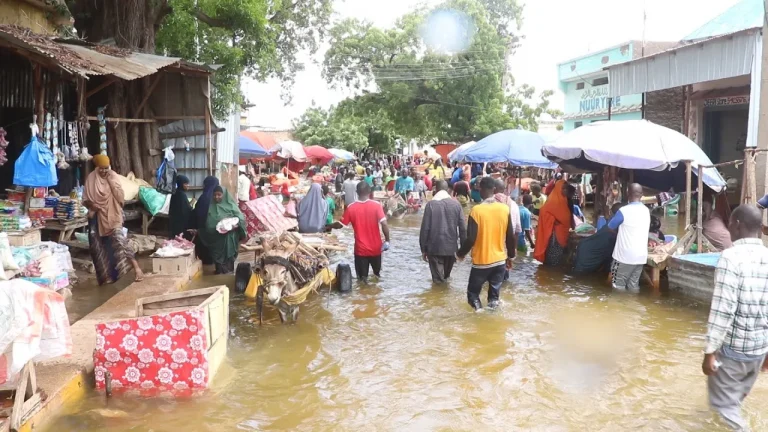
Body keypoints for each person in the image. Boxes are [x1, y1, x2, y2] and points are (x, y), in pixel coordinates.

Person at [702, 204, 768, 430]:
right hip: (759, 351)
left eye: (729, 222)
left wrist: (709, 352)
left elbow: (723, 308)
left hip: (734, 352)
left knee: (724, 407)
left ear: (737, 225)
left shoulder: (730, 257)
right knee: (734, 401)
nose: (727, 226)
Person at [457, 177, 517, 311]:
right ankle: (492, 317)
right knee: (494, 298)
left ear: (481, 190)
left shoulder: (476, 211)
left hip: (482, 262)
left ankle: (479, 315)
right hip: (500, 262)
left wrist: (460, 254)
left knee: (472, 295)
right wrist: (511, 257)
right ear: (494, 190)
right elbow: (510, 236)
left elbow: (471, 239)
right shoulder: (504, 209)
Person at [83, 154, 144, 285]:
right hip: (97, 217)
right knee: (98, 247)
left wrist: (111, 182)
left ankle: (137, 269)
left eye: (106, 168)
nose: (104, 171)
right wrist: (92, 205)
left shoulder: (113, 176)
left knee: (120, 241)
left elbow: (121, 197)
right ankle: (106, 278)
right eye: (101, 168)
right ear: (96, 167)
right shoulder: (91, 179)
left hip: (112, 215)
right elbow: (85, 200)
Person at [330, 181, 391, 283]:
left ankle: (362, 296)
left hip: (360, 250)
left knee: (362, 280)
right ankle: (376, 297)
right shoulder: (376, 205)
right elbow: (384, 224)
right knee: (377, 276)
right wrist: (387, 241)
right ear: (370, 191)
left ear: (357, 192)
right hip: (376, 249)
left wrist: (329, 226)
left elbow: (340, 225)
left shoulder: (351, 207)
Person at [419, 180, 466, 283]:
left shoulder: (430, 205)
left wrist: (423, 249)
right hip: (451, 248)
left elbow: (425, 229)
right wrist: (463, 251)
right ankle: (446, 297)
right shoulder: (456, 205)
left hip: (434, 248)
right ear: (448, 190)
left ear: (436, 190)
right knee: (446, 278)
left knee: (438, 281)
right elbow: (463, 229)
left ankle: (438, 297)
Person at [607, 183, 650, 290]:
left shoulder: (623, 211)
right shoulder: (646, 210)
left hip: (624, 257)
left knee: (618, 286)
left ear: (628, 194)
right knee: (633, 286)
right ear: (641, 194)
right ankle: (633, 305)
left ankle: (620, 307)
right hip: (640, 257)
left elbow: (610, 227)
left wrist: (619, 235)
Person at [199, 185, 246, 274]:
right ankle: (219, 273)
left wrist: (233, 226)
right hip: (216, 239)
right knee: (218, 265)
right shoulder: (210, 207)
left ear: (224, 195)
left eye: (219, 195)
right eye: (214, 195)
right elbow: (208, 223)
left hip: (229, 238)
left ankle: (228, 274)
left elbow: (241, 219)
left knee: (229, 261)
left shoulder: (231, 206)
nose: (216, 197)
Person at [533, 179, 572, 266]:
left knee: (558, 261)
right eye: (563, 189)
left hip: (562, 233)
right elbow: (544, 212)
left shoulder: (565, 201)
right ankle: (548, 277)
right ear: (558, 189)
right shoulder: (552, 201)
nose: (565, 191)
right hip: (554, 236)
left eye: (566, 189)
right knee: (552, 262)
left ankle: (551, 277)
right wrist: (553, 221)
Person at [168, 175, 194, 239]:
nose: (188, 185)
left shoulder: (175, 192)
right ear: (181, 184)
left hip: (174, 223)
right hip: (180, 224)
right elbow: (186, 210)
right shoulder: (181, 195)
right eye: (186, 184)